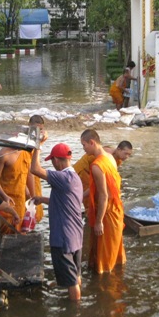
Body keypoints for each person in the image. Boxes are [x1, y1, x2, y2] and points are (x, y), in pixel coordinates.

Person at [30, 142, 84, 301]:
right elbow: (64, 201)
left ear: (56, 160)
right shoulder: (75, 178)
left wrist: (37, 146)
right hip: (76, 236)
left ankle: (74, 314)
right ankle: (77, 306)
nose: (52, 164)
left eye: (52, 161)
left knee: (71, 281)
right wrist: (42, 199)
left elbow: (34, 169)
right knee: (76, 274)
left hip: (63, 238)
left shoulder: (62, 177)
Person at [80, 129, 126, 274]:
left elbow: (103, 195)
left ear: (92, 142)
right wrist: (80, 196)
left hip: (107, 214)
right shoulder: (110, 158)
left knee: (104, 258)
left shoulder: (96, 166)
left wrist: (99, 221)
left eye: (84, 145)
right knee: (114, 254)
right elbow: (97, 187)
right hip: (116, 210)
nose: (83, 148)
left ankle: (104, 285)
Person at [0, 115, 45, 233]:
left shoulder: (25, 152)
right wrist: (4, 196)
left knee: (21, 232)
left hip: (20, 200)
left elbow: (28, 174)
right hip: (7, 202)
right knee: (6, 233)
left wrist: (31, 195)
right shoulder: (3, 155)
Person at [73, 140, 133, 215]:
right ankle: (90, 221)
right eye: (125, 153)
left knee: (98, 198)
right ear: (118, 149)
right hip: (83, 171)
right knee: (90, 202)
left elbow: (110, 177)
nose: (127, 157)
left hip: (94, 172)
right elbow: (98, 178)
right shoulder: (106, 155)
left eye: (129, 155)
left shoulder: (118, 160)